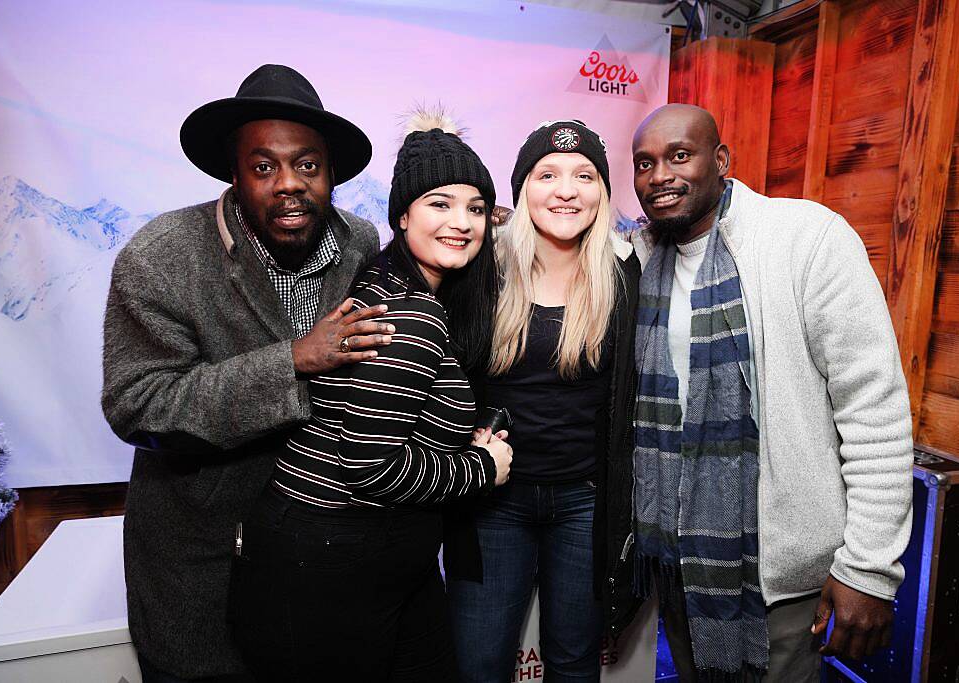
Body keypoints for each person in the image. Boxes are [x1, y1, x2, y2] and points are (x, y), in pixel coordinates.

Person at [101, 64, 392, 681]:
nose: (289, 184)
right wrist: (292, 361)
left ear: (331, 172)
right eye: (264, 167)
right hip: (202, 570)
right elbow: (136, 403)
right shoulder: (161, 256)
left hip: (327, 560)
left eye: (307, 165)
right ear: (234, 174)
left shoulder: (362, 243)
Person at [622, 103, 913, 681]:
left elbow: (873, 410)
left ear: (721, 160)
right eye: (644, 163)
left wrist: (870, 569)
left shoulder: (806, 238)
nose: (660, 176)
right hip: (678, 570)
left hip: (783, 583)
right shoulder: (642, 256)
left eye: (680, 156)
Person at [227, 110, 514, 682]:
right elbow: (368, 467)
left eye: (475, 208)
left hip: (377, 556)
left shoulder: (399, 288)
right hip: (327, 559)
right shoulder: (406, 312)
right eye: (439, 204)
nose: (461, 222)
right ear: (403, 215)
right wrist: (482, 467)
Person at [445, 120, 642, 682]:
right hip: (491, 501)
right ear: (521, 188)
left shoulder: (625, 275)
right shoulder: (480, 268)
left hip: (585, 503)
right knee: (478, 664)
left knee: (574, 663)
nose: (565, 189)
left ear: (603, 192)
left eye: (584, 175)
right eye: (547, 174)